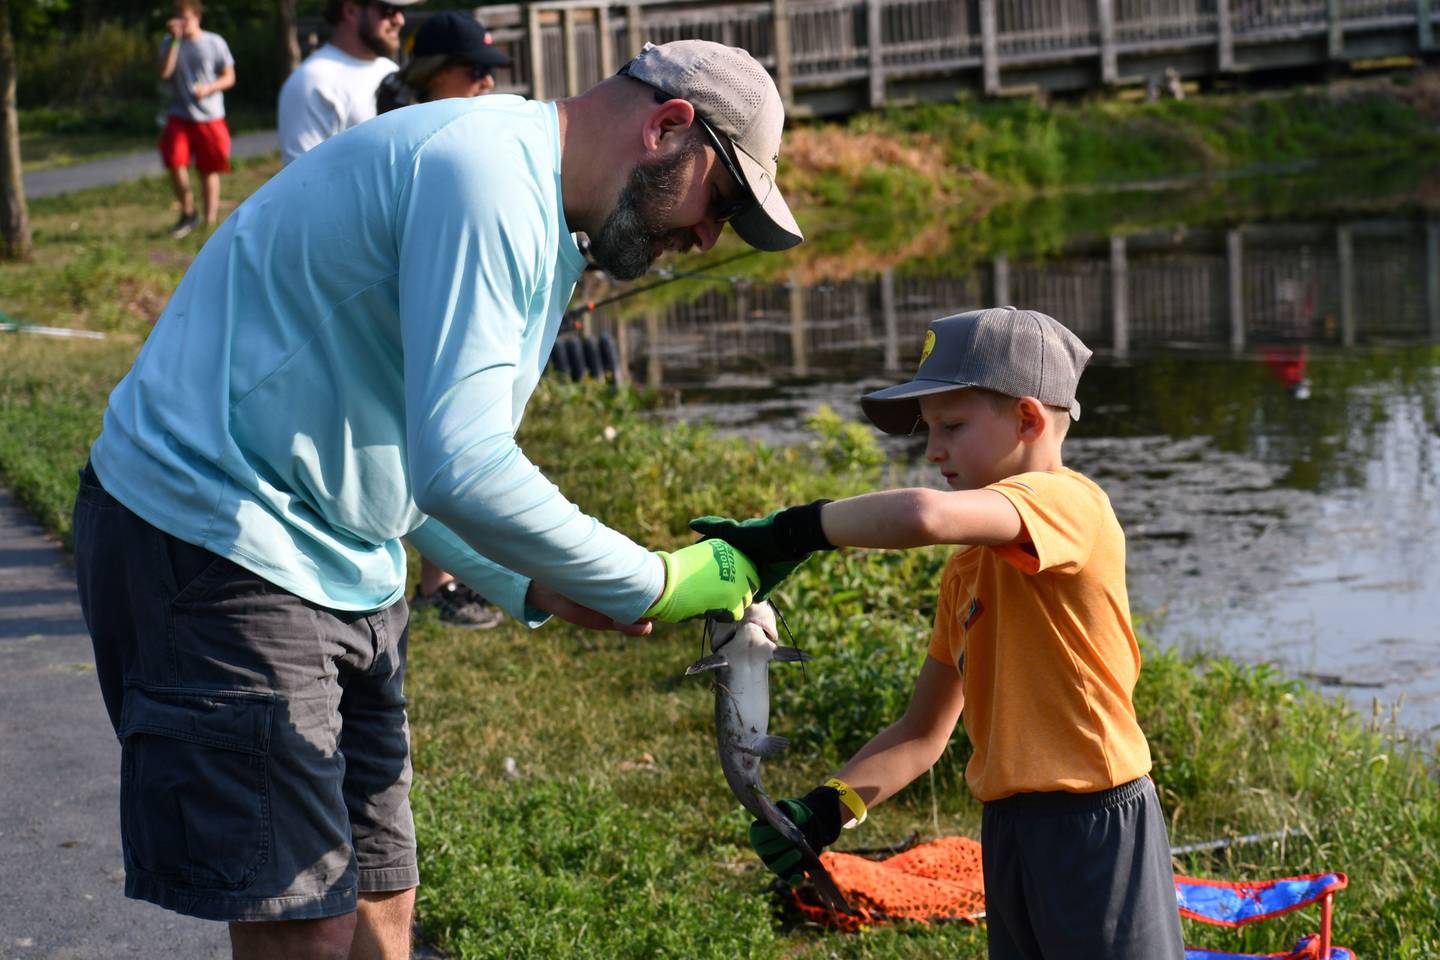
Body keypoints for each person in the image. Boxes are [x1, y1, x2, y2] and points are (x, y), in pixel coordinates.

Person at [73, 39, 802, 959]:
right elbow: (464, 464)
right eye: (722, 202)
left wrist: (528, 585)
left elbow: (425, 465)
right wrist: (654, 579)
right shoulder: (487, 176)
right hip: (218, 538)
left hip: (347, 553)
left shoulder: (545, 220)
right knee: (308, 917)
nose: (708, 236)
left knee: (383, 888)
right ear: (667, 127)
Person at [694, 307, 1185, 959]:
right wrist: (826, 808)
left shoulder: (1071, 504)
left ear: (1030, 419)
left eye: (952, 426)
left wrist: (791, 531)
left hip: (1094, 823)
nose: (933, 450)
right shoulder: (969, 571)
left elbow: (924, 514)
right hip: (1008, 830)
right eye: (928, 431)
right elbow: (923, 732)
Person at [375, 10, 514, 629]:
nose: (487, 82)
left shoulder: (463, 123)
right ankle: (422, 580)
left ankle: (437, 579)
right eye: (474, 71)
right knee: (422, 445)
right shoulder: (402, 125)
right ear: (433, 73)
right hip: (401, 307)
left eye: (491, 71)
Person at [277, 0, 425, 165]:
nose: (400, 20)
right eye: (389, 10)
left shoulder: (390, 70)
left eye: (402, 11)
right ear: (351, 10)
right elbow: (302, 181)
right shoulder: (311, 82)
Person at [157, 0, 235, 238]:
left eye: (186, 18)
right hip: (179, 115)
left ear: (197, 17)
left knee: (208, 170)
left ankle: (210, 224)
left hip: (210, 116)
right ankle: (189, 213)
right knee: (175, 162)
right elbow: (165, 73)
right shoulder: (170, 43)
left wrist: (210, 88)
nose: (181, 22)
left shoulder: (214, 42)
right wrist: (175, 41)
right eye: (177, 17)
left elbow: (229, 77)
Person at [376, 11, 511, 114]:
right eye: (479, 70)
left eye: (490, 70)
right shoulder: (399, 130)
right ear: (436, 72)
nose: (489, 82)